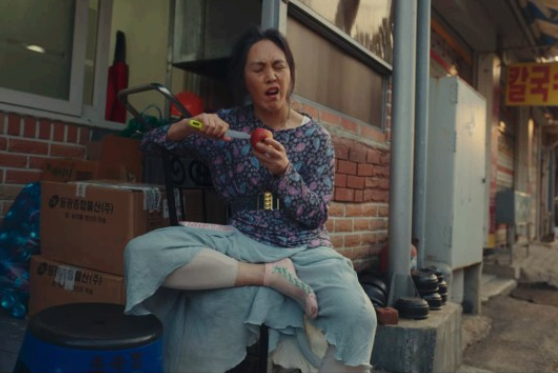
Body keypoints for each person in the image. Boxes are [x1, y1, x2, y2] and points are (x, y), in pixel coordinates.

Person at [123, 28, 376, 373]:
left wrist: (284, 172)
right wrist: (188, 125)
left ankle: (278, 279)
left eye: (279, 66)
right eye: (258, 69)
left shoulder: (316, 137)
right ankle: (269, 275)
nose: (271, 76)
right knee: (142, 252)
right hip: (243, 240)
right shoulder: (228, 126)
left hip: (306, 247)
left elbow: (315, 215)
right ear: (244, 80)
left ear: (290, 73)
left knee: (358, 315)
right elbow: (149, 144)